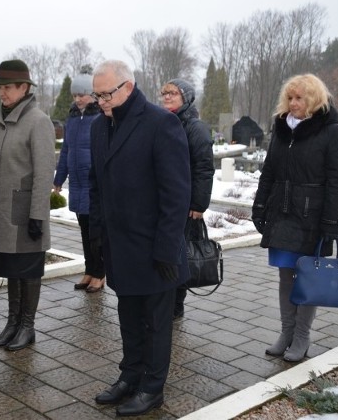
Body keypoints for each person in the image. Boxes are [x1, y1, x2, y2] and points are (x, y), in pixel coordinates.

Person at [89, 60, 191, 417]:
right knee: (128, 315)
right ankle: (129, 377)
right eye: (97, 94)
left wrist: (167, 249)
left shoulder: (161, 123)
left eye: (106, 94)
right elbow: (96, 184)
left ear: (128, 87)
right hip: (119, 246)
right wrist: (98, 237)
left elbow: (176, 194)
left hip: (153, 248)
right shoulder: (99, 128)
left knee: (156, 323)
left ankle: (152, 388)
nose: (101, 101)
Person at [252, 73, 338, 362]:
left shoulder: (332, 131)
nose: (293, 104)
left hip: (312, 215)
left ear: (314, 99)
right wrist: (259, 206)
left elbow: (336, 181)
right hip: (282, 214)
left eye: (300, 98)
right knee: (285, 275)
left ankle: (302, 335)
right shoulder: (282, 129)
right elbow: (269, 171)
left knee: (307, 276)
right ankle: (287, 331)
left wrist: (332, 224)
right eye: (290, 98)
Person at [0, 59, 56, 351]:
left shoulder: (38, 121)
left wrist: (38, 214)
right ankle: (12, 323)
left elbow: (43, 172)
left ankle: (27, 326)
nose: (3, 93)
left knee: (28, 270)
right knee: (11, 269)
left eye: (9, 87)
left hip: (25, 213)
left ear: (24, 88)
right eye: (0, 87)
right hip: (2, 212)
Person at [160, 79, 214, 318]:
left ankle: (176, 305)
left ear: (186, 97)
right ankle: (165, 299)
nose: (167, 97)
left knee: (180, 252)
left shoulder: (195, 127)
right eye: (164, 93)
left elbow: (204, 167)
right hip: (165, 199)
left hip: (186, 201)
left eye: (173, 93)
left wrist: (198, 203)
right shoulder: (163, 123)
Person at [53, 73, 105, 293]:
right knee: (84, 231)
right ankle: (89, 270)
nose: (78, 99)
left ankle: (99, 273)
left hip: (94, 185)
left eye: (82, 94)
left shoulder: (100, 118)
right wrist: (59, 179)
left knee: (96, 233)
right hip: (76, 184)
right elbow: (66, 150)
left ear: (92, 95)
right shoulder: (72, 118)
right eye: (75, 95)